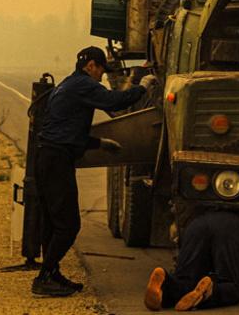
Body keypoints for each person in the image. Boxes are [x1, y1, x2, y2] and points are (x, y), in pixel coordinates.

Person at [29, 45, 151, 297]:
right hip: (56, 160)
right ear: (91, 66)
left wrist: (100, 144)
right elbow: (115, 100)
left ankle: (52, 274)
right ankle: (44, 277)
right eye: (100, 71)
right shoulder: (84, 85)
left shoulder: (68, 85)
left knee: (53, 222)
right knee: (69, 224)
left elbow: (67, 131)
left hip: (47, 156)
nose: (101, 76)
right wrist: (144, 86)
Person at [143, 205, 239, 312]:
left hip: (198, 223)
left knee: (186, 279)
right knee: (230, 283)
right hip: (231, 225)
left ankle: (165, 282)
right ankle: (210, 291)